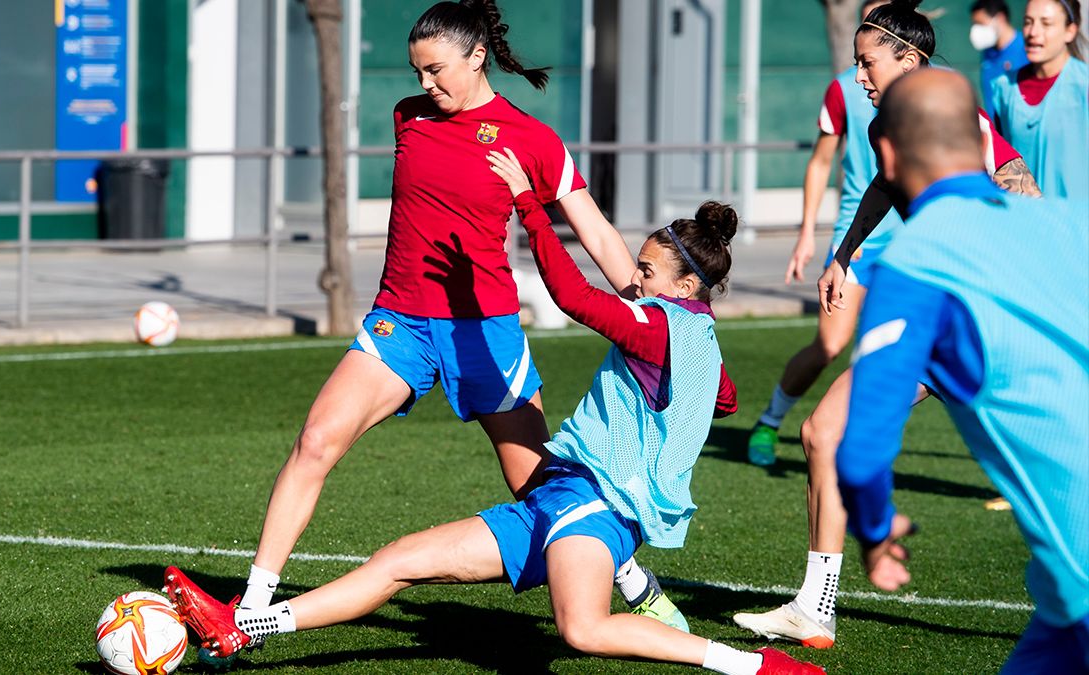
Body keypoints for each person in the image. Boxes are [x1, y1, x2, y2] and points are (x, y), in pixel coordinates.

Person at [162, 151, 826, 675]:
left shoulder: (655, 329)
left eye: (646, 272)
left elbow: (569, 293)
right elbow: (727, 396)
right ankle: (242, 626)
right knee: (396, 560)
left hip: (592, 509)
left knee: (583, 629)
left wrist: (532, 209)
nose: (635, 279)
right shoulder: (694, 336)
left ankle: (755, 665)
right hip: (557, 500)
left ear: (684, 287)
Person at [197, 0, 705, 652]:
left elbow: (594, 227)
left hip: (485, 332)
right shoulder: (408, 117)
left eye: (437, 70)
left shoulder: (531, 138)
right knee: (318, 438)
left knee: (540, 484)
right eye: (418, 72)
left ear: (477, 56)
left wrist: (642, 301)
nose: (426, 85)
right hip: (399, 321)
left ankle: (632, 576)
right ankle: (253, 606)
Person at [735, 0, 1040, 649]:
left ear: (910, 57)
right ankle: (815, 608)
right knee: (821, 431)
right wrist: (841, 255)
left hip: (979, 319)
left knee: (1049, 466)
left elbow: (1019, 182)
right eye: (857, 62)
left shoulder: (952, 112)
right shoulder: (889, 124)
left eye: (868, 61)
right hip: (939, 321)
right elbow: (881, 185)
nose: (860, 74)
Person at [836, 67, 1089, 674]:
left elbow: (861, 451)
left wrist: (875, 529)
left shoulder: (915, 265)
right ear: (983, 144)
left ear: (888, 156)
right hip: (1067, 609)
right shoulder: (1069, 223)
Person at [747, 0, 898, 467]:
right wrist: (807, 233)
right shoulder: (846, 88)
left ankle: (851, 445)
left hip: (908, 243)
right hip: (858, 232)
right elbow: (821, 161)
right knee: (831, 345)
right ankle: (770, 421)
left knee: (892, 352)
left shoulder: (928, 94)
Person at [991, 0, 1089, 198]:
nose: (1033, 32)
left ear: (1070, 31)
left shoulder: (1083, 85)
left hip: (1076, 225)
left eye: (1046, 23)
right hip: (1023, 223)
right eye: (1028, 22)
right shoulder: (1003, 88)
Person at [970, 0, 1030, 119]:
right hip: (996, 132)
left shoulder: (1026, 48)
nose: (977, 30)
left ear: (1000, 18)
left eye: (980, 23)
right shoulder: (987, 53)